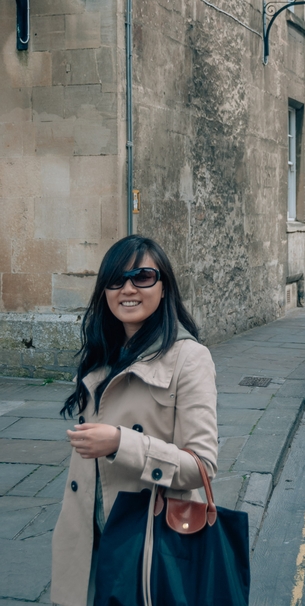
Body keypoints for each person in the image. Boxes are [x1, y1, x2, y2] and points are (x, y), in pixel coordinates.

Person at [51, 236, 218, 606]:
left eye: (142, 276)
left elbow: (202, 466)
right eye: (116, 279)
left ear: (163, 287)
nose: (128, 288)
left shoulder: (189, 359)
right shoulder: (103, 354)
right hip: (86, 539)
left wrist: (120, 443)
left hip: (147, 539)